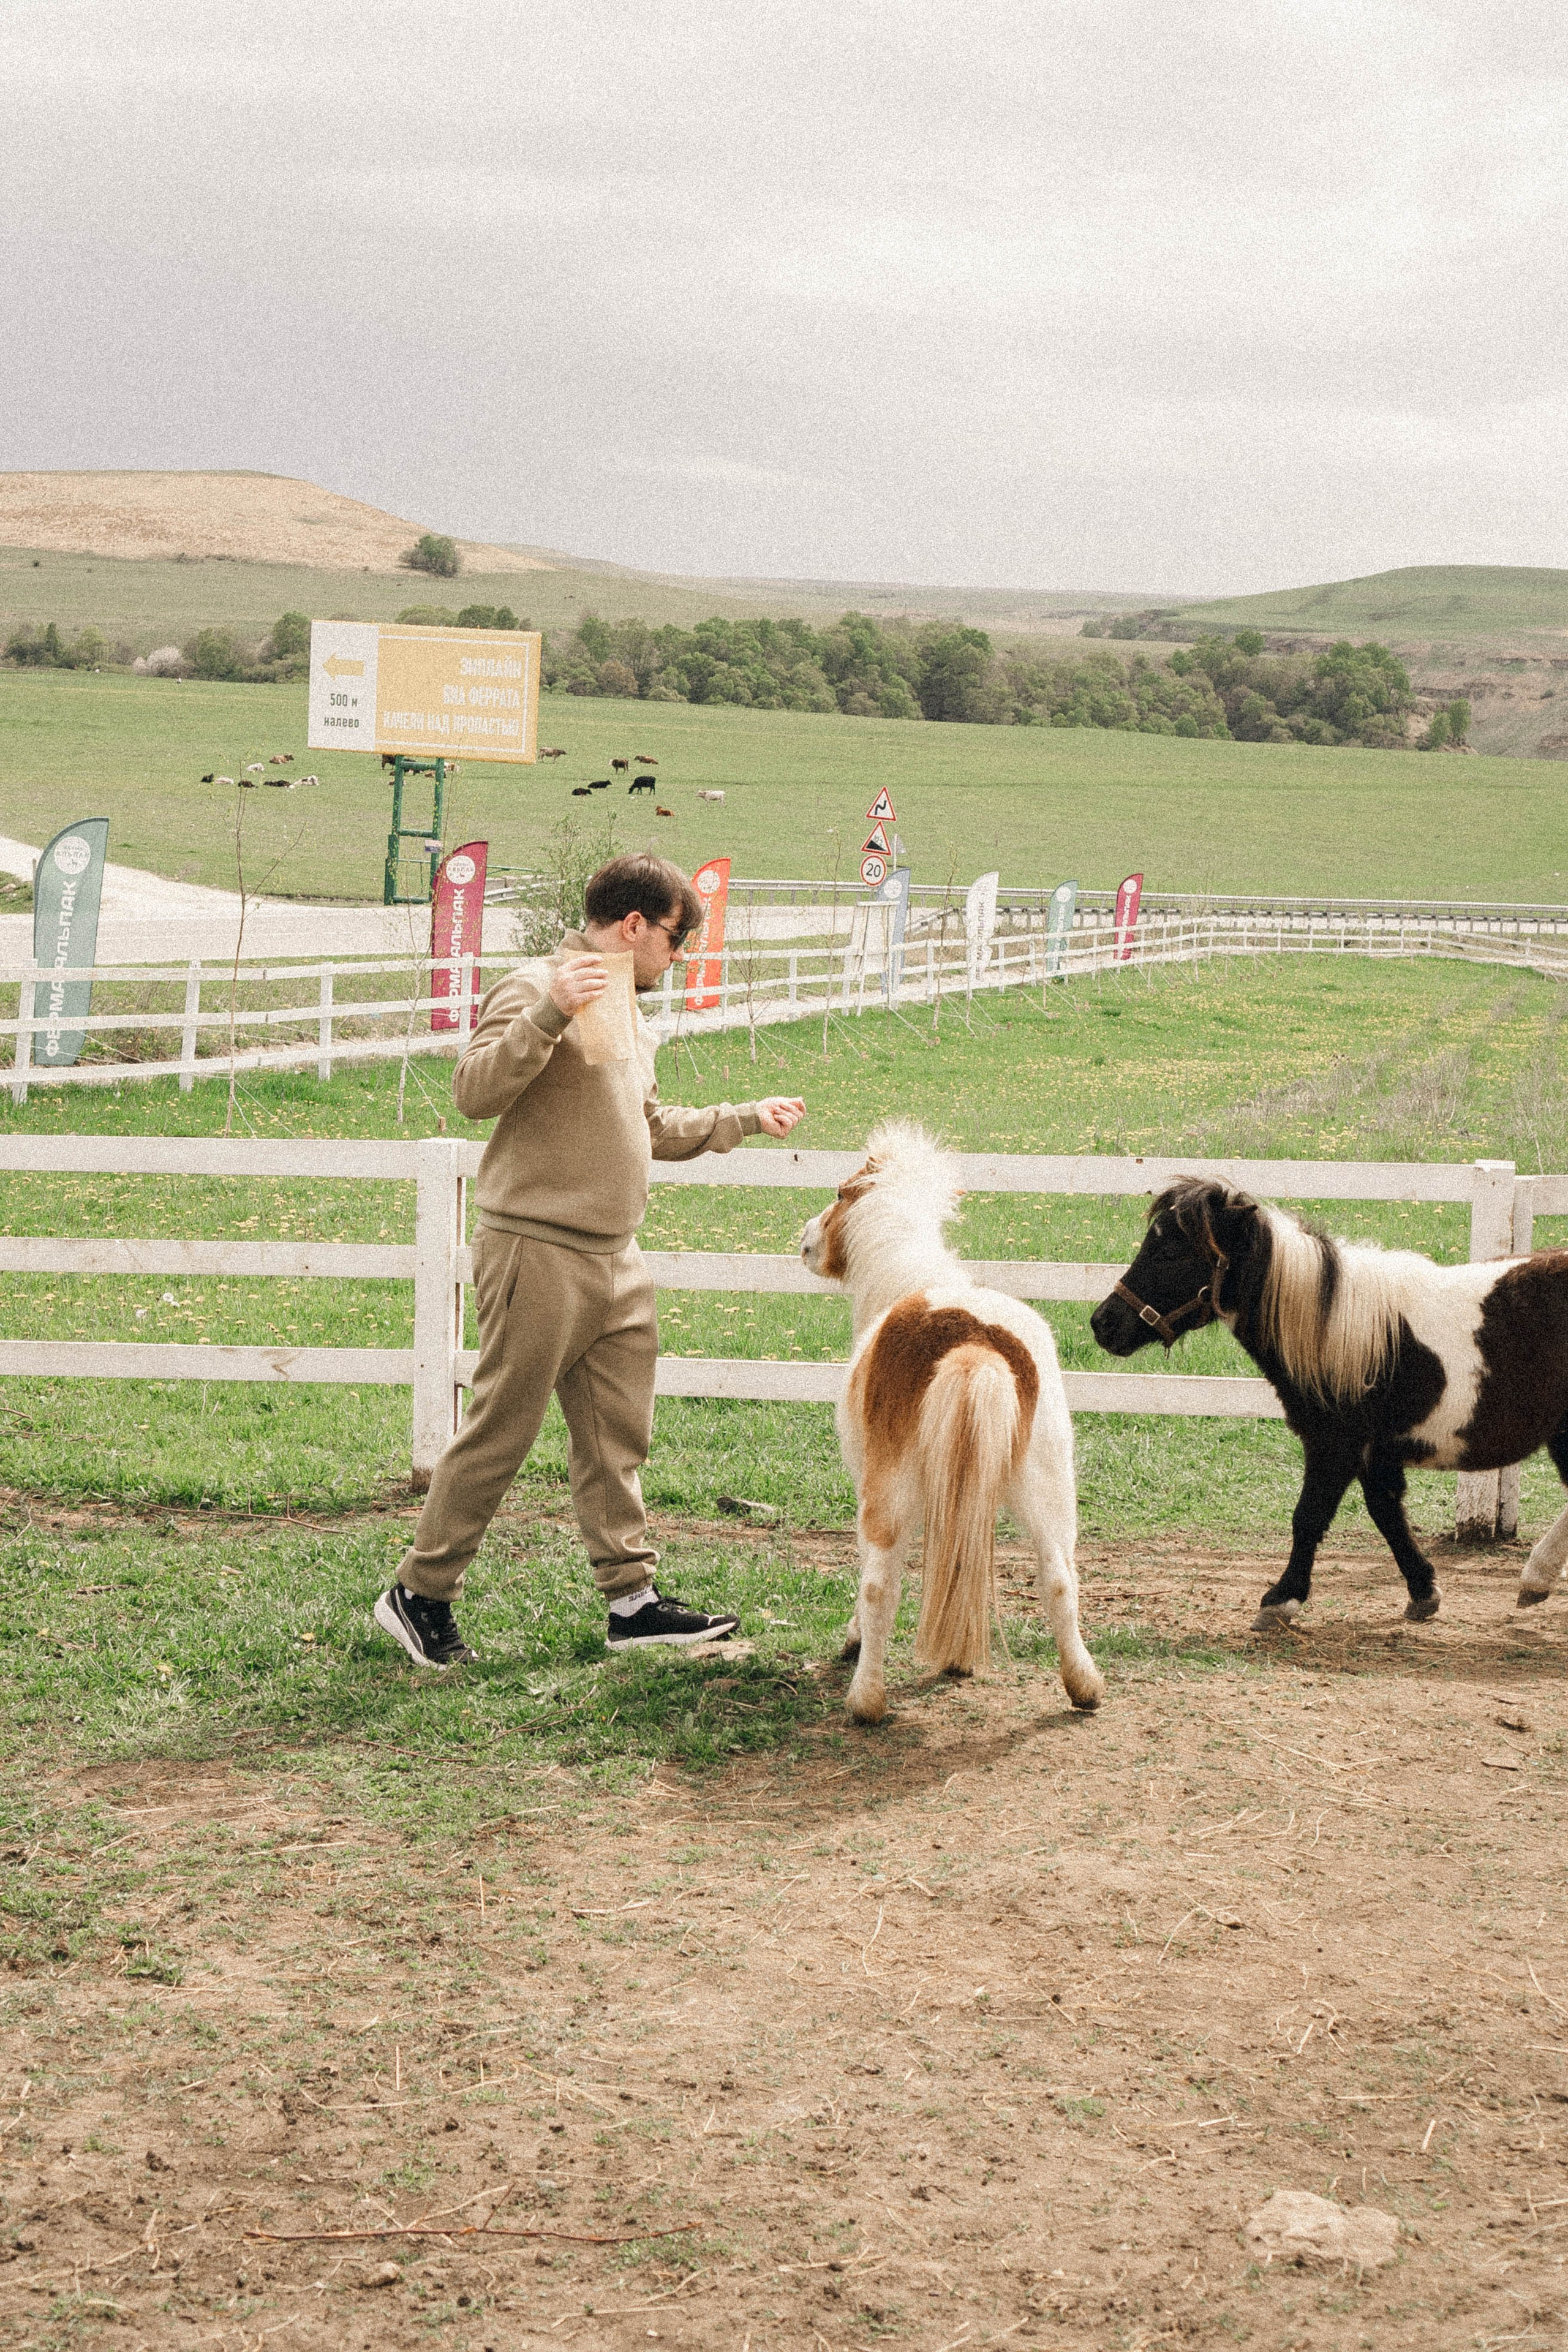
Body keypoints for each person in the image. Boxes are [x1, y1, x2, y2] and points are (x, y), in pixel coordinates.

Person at [374, 853, 806, 1667]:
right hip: (538, 1250)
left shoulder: (614, 1002)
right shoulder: (543, 983)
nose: (677, 961)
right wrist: (545, 1015)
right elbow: (473, 1092)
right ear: (635, 925)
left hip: (615, 1260)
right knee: (500, 1430)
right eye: (677, 941)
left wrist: (746, 1117)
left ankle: (633, 1604)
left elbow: (645, 1126)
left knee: (616, 1441)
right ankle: (419, 1594)